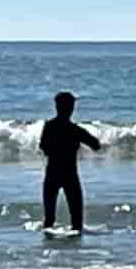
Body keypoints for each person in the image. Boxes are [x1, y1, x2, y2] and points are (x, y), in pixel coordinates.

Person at [39, 91, 102, 232]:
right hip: (69, 175)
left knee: (49, 220)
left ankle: (47, 247)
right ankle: (74, 249)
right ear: (71, 108)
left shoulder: (49, 126)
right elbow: (96, 145)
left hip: (52, 174)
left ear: (57, 107)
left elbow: (43, 147)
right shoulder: (75, 130)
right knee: (77, 222)